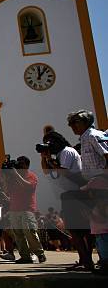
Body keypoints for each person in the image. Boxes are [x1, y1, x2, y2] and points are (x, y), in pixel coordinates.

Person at [62, 110, 108, 271]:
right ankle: (103, 262)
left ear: (85, 122)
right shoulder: (84, 138)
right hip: (93, 187)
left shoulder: (94, 135)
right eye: (70, 123)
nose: (72, 126)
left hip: (103, 187)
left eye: (75, 122)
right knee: (98, 227)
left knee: (102, 226)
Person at [1, 156, 46, 264]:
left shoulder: (31, 176)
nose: (18, 165)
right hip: (14, 209)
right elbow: (7, 190)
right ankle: (25, 256)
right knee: (18, 234)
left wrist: (16, 174)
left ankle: (40, 253)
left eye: (20, 163)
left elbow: (29, 187)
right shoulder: (13, 177)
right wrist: (6, 177)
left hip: (27, 208)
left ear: (26, 165)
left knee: (29, 231)